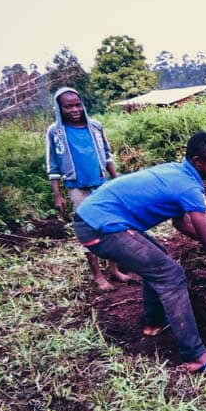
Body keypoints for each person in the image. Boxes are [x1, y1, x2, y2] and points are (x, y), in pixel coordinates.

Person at [72, 131, 206, 372]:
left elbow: (181, 224)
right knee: (170, 274)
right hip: (99, 227)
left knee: (159, 258)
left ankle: (153, 323)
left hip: (97, 217)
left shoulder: (178, 170)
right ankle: (197, 357)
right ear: (197, 161)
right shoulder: (189, 188)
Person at [46, 86, 131, 291]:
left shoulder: (95, 127)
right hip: (77, 188)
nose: (74, 110)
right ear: (60, 109)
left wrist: (116, 181)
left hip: (101, 183)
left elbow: (107, 155)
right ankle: (98, 276)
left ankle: (114, 269)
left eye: (77, 105)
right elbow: (53, 166)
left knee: (110, 225)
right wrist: (57, 195)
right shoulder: (56, 132)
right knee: (87, 230)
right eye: (68, 107)